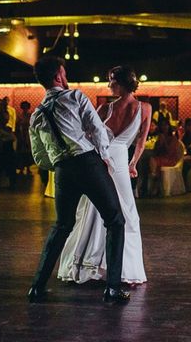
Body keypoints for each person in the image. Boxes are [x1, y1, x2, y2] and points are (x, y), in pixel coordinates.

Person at [27, 56, 128, 304]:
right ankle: (112, 288)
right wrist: (103, 157)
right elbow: (96, 129)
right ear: (58, 77)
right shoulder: (75, 97)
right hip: (87, 163)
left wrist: (60, 163)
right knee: (114, 220)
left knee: (62, 225)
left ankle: (37, 287)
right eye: (64, 71)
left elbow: (39, 157)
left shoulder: (36, 115)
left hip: (62, 170)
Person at [58, 65, 151, 286]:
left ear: (120, 82)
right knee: (123, 213)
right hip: (116, 161)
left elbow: (89, 137)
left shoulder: (103, 110)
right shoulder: (144, 108)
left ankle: (94, 266)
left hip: (103, 160)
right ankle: (120, 270)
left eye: (111, 81)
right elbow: (141, 140)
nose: (109, 85)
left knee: (96, 211)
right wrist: (133, 163)